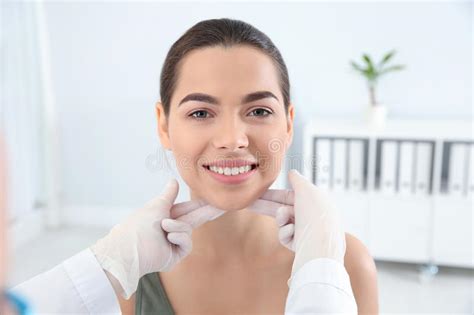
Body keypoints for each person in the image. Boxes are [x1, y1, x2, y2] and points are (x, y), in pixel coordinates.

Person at [2, 17, 379, 314]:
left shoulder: (348, 263)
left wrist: (324, 263)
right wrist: (111, 265)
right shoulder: (126, 277)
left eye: (260, 110)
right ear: (163, 125)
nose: (232, 138)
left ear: (288, 122)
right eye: (201, 112)